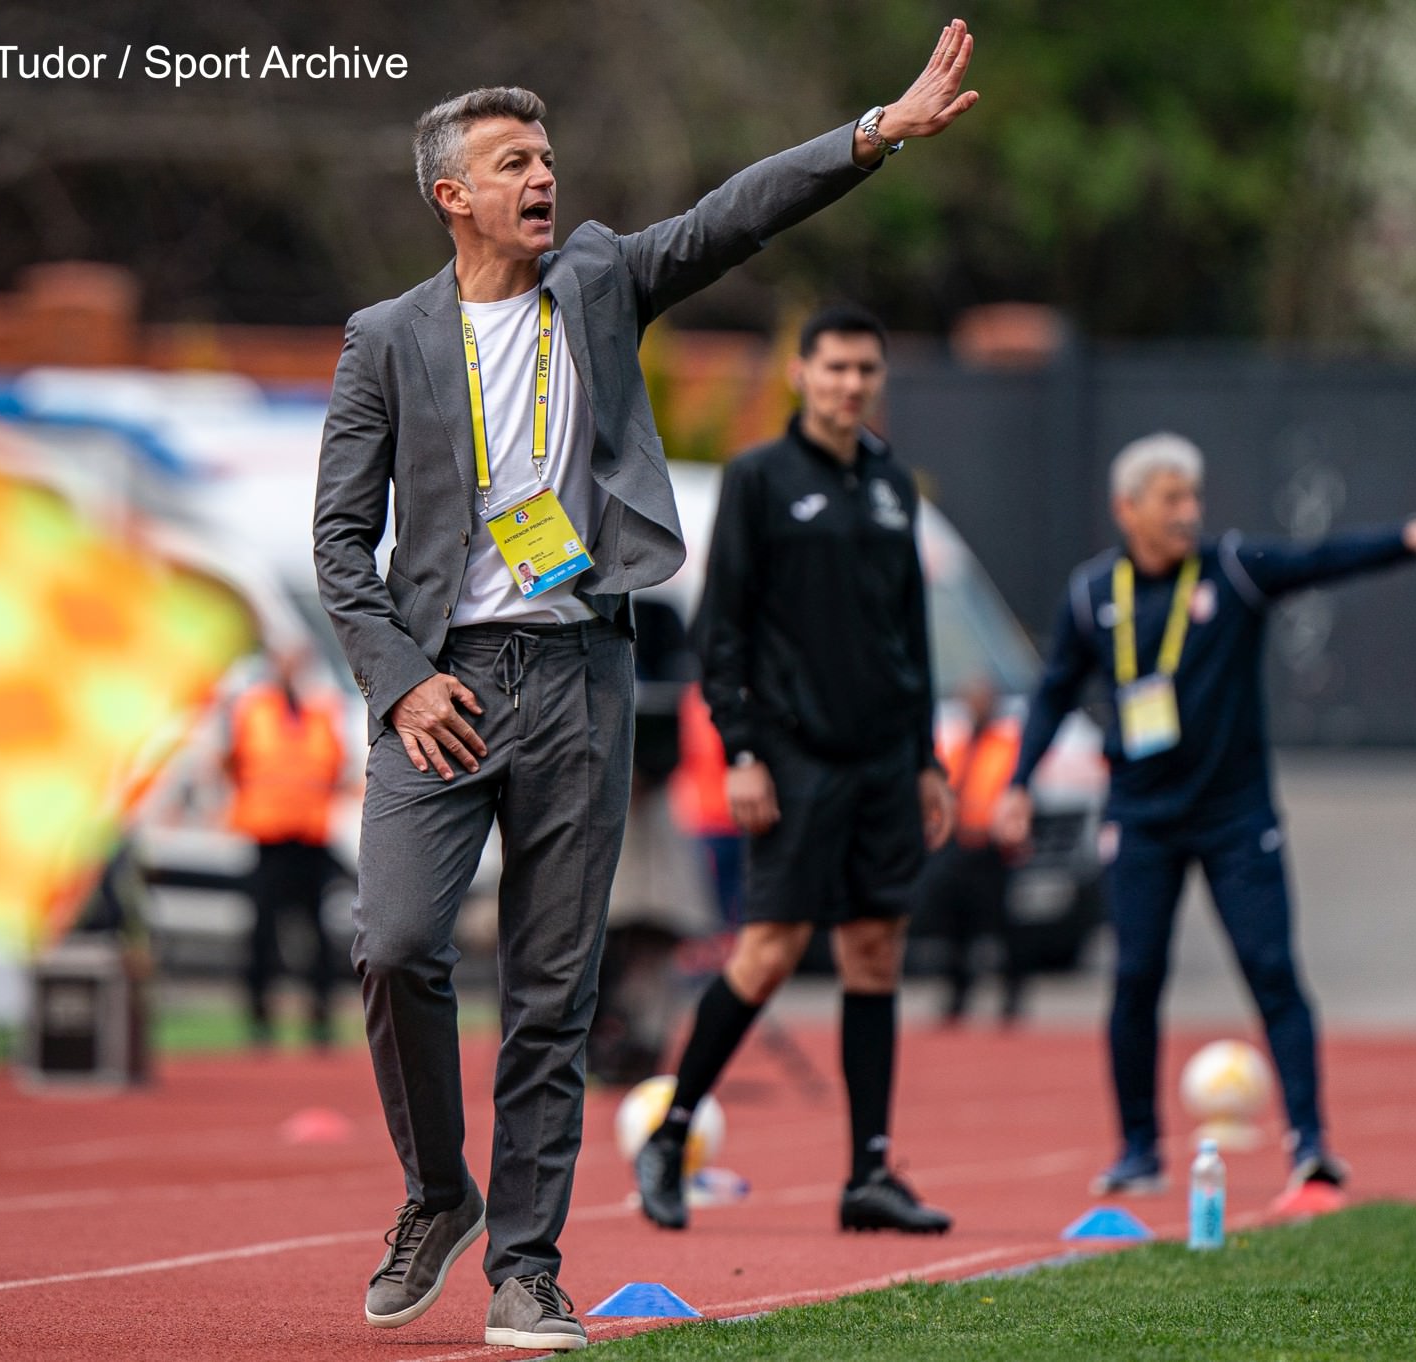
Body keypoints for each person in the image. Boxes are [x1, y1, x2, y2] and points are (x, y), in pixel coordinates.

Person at [313, 26, 978, 1349]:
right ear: (454, 196)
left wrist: (871, 133)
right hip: (441, 689)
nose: (541, 175)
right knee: (393, 942)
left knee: (556, 991)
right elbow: (340, 541)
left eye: (546, 154)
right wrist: (398, 686)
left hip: (583, 676)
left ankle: (527, 1268)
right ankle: (438, 1190)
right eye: (512, 162)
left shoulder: (603, 277)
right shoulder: (385, 339)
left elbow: (734, 216)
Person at [993, 433, 1416, 1216]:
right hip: (1141, 821)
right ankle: (1138, 1150)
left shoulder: (1234, 571)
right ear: (1127, 509)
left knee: (1273, 971)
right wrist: (1020, 782)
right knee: (1133, 980)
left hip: (1235, 817)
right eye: (1171, 499)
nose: (1189, 513)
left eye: (1194, 497)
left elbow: (1320, 559)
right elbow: (1053, 692)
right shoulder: (1091, 596)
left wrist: (1410, 541)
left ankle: (1311, 1145)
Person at [631, 303, 957, 1236]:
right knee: (767, 955)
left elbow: (910, 636)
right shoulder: (760, 479)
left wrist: (928, 758)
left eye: (866, 369)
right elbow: (717, 630)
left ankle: (868, 1175)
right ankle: (672, 1133)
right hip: (794, 760)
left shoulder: (894, 485)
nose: (851, 384)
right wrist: (739, 749)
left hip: (887, 763)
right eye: (835, 367)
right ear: (801, 375)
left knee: (874, 954)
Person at [223, 645, 347, 1051]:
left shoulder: (321, 713)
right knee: (262, 934)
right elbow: (233, 762)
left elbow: (333, 768)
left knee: (316, 934)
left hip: (310, 838)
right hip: (269, 838)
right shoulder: (251, 711)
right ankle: (260, 1023)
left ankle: (320, 1022)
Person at [920, 676, 1026, 1024]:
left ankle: (1012, 994)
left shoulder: (1008, 744)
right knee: (954, 926)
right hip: (958, 846)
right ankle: (957, 993)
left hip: (993, 849)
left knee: (1001, 924)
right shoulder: (956, 743)